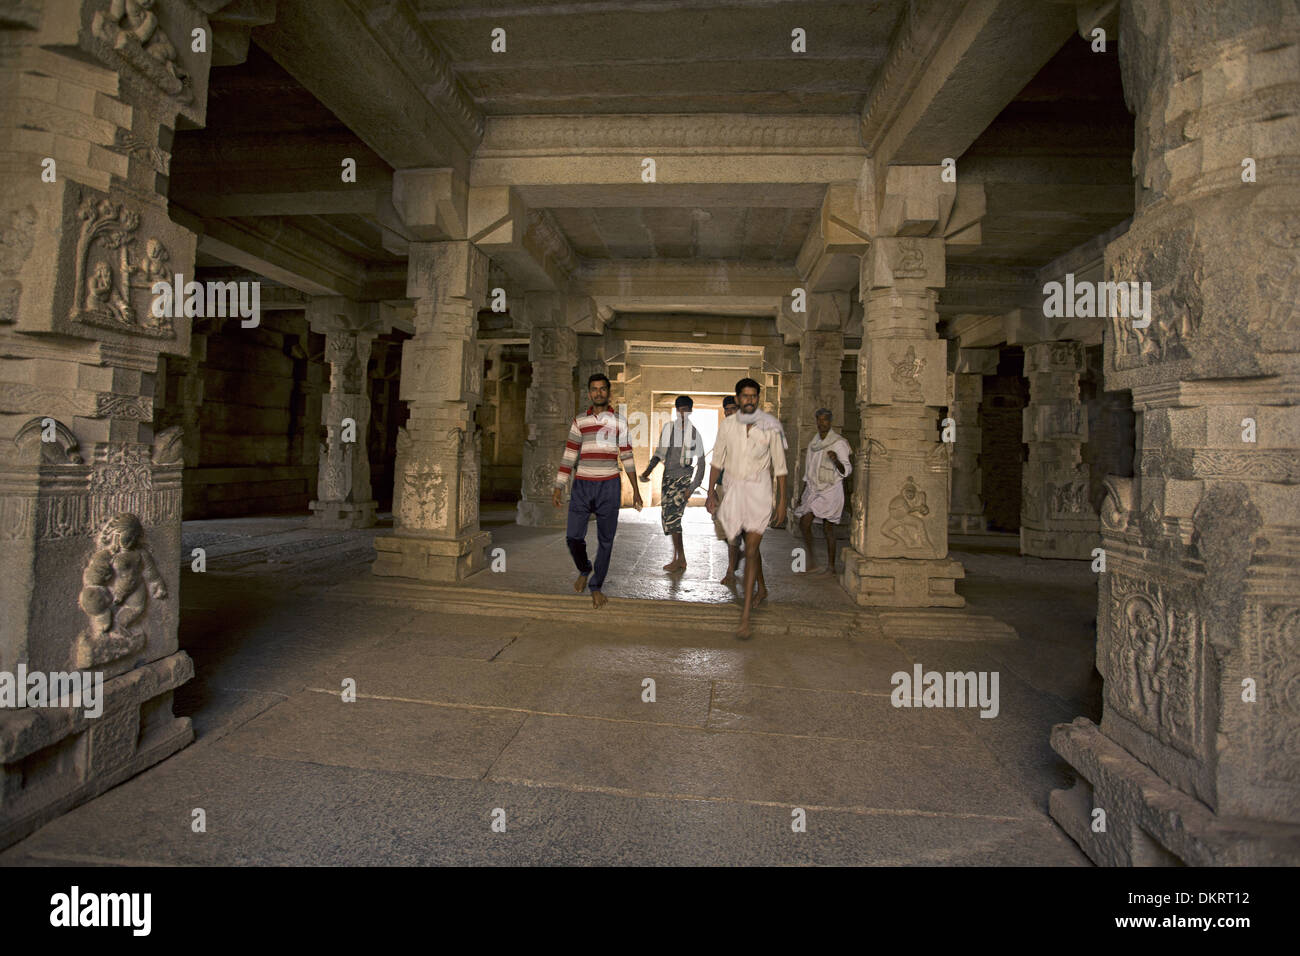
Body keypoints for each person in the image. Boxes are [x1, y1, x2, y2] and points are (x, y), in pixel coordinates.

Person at [553, 374, 644, 608]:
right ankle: (584, 569)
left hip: (609, 485)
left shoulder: (619, 422)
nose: (598, 393)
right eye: (594, 389)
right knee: (573, 537)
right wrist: (559, 485)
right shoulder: (580, 421)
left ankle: (596, 586)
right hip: (582, 484)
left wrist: (636, 490)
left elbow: (627, 456)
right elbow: (569, 454)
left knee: (606, 540)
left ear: (608, 392)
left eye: (602, 389)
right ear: (589, 393)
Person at [706, 378, 787, 639]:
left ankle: (745, 618)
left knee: (750, 549)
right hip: (733, 491)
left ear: (758, 399)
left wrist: (783, 501)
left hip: (760, 491)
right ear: (737, 398)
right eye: (745, 396)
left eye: (754, 396)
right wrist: (710, 493)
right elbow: (717, 461)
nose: (749, 400)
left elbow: (781, 467)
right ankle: (761, 588)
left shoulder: (771, 426)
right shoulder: (727, 426)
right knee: (748, 547)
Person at [641, 395, 707, 572]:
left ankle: (681, 559)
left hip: (682, 479)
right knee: (668, 519)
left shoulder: (694, 434)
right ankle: (677, 558)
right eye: (681, 409)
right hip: (667, 478)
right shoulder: (669, 429)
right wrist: (648, 471)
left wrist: (692, 487)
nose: (684, 413)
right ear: (677, 411)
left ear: (690, 411)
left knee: (673, 518)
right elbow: (659, 453)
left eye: (687, 409)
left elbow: (701, 463)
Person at [793, 408, 853, 575]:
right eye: (819, 420)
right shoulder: (815, 443)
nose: (821, 423)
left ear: (830, 421)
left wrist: (835, 460)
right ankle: (812, 560)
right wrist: (802, 495)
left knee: (828, 529)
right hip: (814, 489)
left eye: (825, 420)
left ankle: (831, 567)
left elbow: (847, 470)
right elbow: (809, 470)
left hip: (831, 490)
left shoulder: (838, 443)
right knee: (804, 523)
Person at [714, 395, 746, 585]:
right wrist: (711, 491)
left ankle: (730, 571)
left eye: (733, 408)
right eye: (726, 409)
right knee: (721, 528)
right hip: (722, 485)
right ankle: (738, 554)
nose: (729, 412)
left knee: (732, 531)